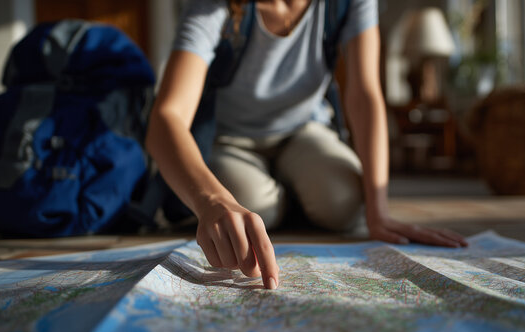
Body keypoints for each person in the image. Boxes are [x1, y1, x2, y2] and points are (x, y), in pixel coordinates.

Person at [146, 0, 468, 291]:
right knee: (254, 210)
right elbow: (167, 117)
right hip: (232, 138)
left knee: (345, 202)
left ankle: (289, 193)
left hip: (305, 129)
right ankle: (281, 199)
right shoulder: (215, 6)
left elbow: (364, 93)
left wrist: (378, 211)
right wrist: (211, 200)